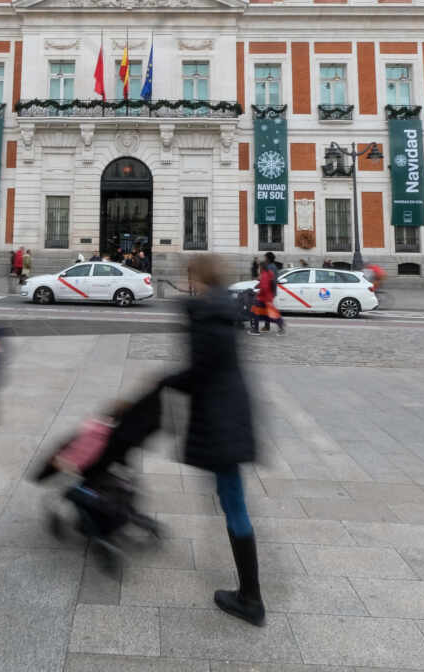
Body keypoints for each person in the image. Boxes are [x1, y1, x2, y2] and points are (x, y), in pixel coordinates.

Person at [159, 254, 264, 625]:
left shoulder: (206, 315)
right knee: (231, 499)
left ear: (197, 279)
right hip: (232, 415)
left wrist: (165, 382)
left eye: (191, 278)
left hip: (221, 421)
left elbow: (199, 371)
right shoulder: (225, 310)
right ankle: (249, 594)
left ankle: (251, 599)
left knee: (233, 504)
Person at [250, 254, 284, 336]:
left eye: (259, 268)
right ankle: (277, 325)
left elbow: (265, 285)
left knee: (258, 312)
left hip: (264, 297)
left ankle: (256, 330)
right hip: (267, 296)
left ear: (261, 268)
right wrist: (257, 286)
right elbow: (265, 283)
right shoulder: (268, 272)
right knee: (265, 313)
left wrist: (259, 293)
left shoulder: (266, 273)